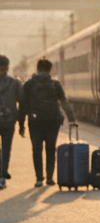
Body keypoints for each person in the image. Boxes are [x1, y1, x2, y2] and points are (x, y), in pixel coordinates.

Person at [18, 58, 77, 188]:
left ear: (37, 69)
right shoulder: (55, 84)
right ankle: (50, 177)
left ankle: (39, 178)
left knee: (37, 149)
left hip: (35, 122)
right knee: (50, 149)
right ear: (50, 69)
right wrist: (72, 118)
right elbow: (64, 102)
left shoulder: (29, 84)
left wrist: (21, 125)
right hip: (52, 121)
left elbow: (22, 105)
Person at [0, 55, 22, 190]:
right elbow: (22, 101)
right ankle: (2, 177)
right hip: (9, 121)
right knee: (6, 149)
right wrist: (21, 121)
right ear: (8, 67)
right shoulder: (15, 83)